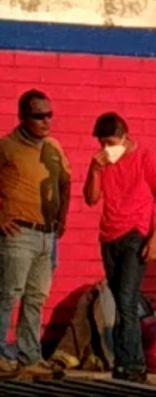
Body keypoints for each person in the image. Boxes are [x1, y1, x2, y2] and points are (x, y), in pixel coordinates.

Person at [84, 112, 156, 383]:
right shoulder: (103, 162)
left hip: (136, 234)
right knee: (119, 301)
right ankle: (123, 363)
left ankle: (133, 364)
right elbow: (91, 199)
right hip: (109, 236)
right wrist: (95, 170)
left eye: (110, 143)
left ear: (124, 137)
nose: (106, 149)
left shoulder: (146, 157)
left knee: (126, 300)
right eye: (102, 144)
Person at [0, 89, 71, 379]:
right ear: (23, 117)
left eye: (49, 115)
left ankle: (29, 356)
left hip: (47, 235)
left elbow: (65, 182)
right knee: (7, 294)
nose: (46, 122)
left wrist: (62, 218)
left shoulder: (53, 147)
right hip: (19, 232)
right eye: (39, 116)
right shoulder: (6, 147)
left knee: (36, 297)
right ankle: (2, 355)